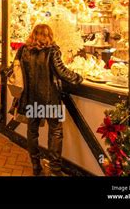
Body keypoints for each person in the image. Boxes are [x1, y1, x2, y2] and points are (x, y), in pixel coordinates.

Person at [15, 24, 83, 176]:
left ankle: (36, 166)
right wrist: (78, 78)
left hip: (31, 99)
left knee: (32, 132)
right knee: (55, 132)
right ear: (49, 36)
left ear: (33, 34)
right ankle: (55, 169)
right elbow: (62, 72)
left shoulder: (24, 50)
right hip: (50, 99)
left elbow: (16, 69)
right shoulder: (52, 51)